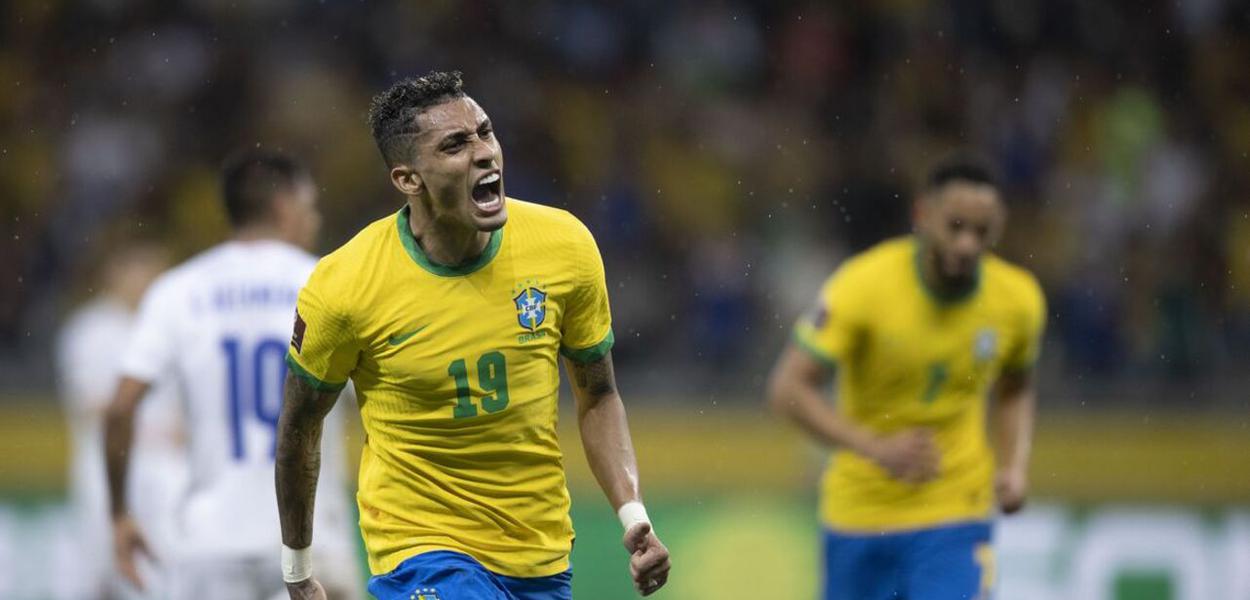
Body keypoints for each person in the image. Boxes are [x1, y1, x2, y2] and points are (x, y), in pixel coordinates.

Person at [275, 70, 670, 600]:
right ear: (407, 178)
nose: (485, 152)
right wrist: (298, 568)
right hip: (420, 548)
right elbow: (299, 430)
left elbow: (598, 395)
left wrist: (633, 516)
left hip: (538, 551)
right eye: (455, 144)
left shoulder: (564, 247)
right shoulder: (345, 286)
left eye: (485, 131)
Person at [766, 157, 1046, 600]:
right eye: (955, 226)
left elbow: (1015, 387)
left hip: (956, 510)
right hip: (859, 514)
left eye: (982, 231)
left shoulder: (1019, 300)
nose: (968, 244)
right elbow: (788, 390)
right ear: (922, 216)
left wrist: (1014, 466)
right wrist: (873, 448)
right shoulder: (862, 286)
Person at [104, 151, 361, 600]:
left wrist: (120, 514)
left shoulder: (179, 289)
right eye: (310, 208)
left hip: (210, 538)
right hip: (310, 536)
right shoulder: (326, 283)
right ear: (285, 207)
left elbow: (120, 407)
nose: (314, 220)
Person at [57, 243, 186, 600]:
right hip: (103, 465)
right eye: (138, 267)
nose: (145, 278)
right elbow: (91, 402)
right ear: (115, 271)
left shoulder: (167, 325)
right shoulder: (90, 327)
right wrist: (144, 428)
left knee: (156, 574)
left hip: (162, 467)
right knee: (96, 568)